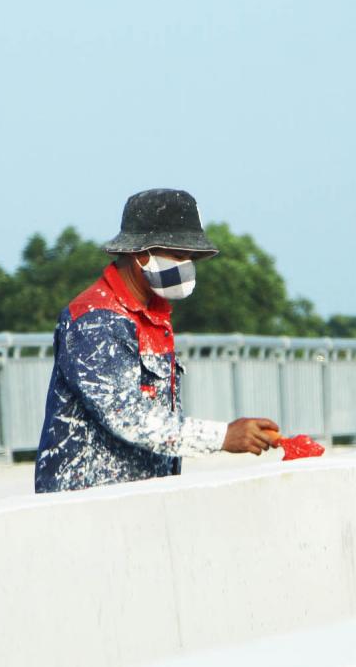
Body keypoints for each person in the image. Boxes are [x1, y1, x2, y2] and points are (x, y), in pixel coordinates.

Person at [34, 188, 279, 493]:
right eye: (179, 255)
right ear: (141, 255)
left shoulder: (153, 316)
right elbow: (129, 416)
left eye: (192, 258)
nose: (187, 266)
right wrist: (222, 436)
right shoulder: (95, 320)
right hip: (87, 504)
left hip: (138, 499)